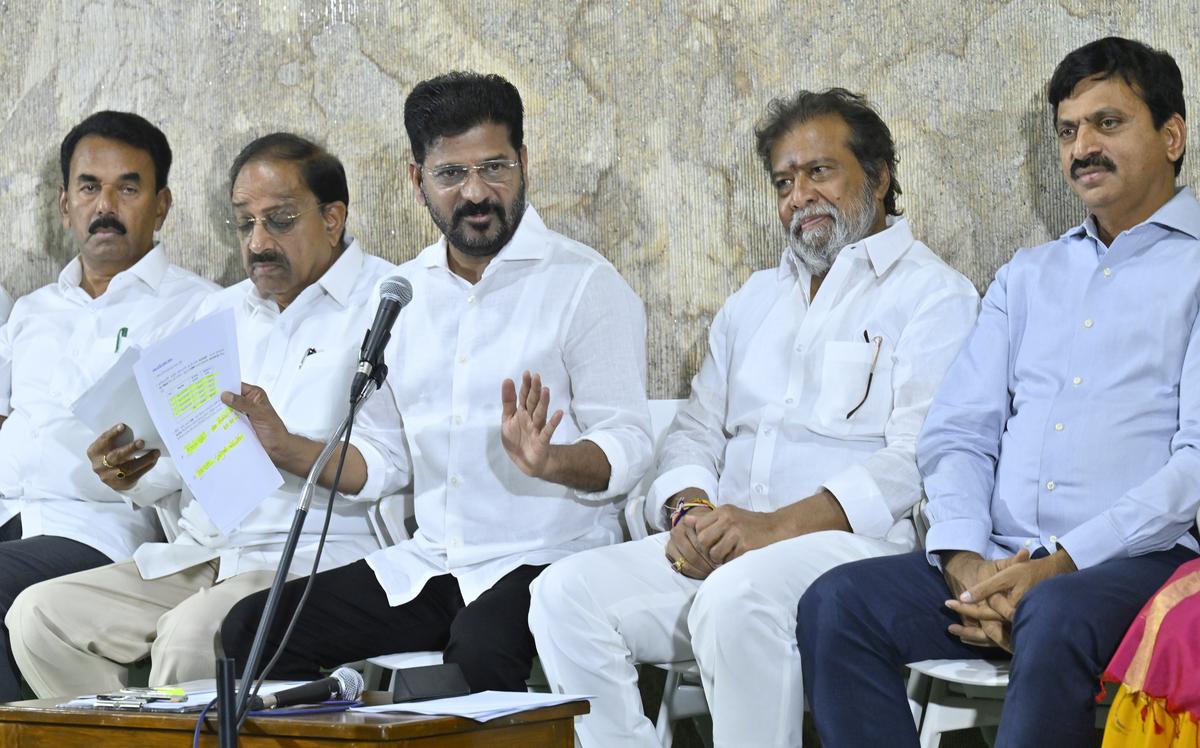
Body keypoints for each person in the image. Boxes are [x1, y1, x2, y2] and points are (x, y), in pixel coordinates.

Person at [527, 88, 980, 747]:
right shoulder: (754, 302)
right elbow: (693, 434)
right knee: (563, 595)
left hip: (855, 555)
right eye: (784, 181)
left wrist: (770, 530)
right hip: (726, 547)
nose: (799, 196)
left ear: (879, 178)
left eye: (819, 171)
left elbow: (918, 460)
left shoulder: (934, 297)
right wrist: (688, 514)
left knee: (735, 599)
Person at [798, 36, 1200, 748]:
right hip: (1000, 560)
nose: (1082, 147)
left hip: (1140, 565)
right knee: (838, 605)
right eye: (1069, 130)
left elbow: (1195, 468)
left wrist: (1059, 566)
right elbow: (958, 432)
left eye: (1109, 123)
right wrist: (966, 562)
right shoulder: (1027, 277)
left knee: (1055, 613)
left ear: (1172, 136)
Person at [220, 71, 653, 693]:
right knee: (251, 631)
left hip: (548, 559)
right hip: (432, 564)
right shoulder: (401, 294)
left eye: (495, 168)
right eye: (451, 174)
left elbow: (630, 440)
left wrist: (552, 461)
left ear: (525, 164)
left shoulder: (584, 285)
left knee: (474, 660)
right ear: (417, 180)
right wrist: (284, 446)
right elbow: (384, 460)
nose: (476, 192)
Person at [7, 132, 406, 695]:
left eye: (280, 220)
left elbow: (392, 466)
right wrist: (136, 472)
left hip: (313, 557)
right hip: (205, 551)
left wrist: (286, 446)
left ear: (333, 217)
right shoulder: (221, 313)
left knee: (192, 636)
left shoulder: (386, 305)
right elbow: (184, 457)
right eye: (244, 224)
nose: (258, 242)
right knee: (42, 617)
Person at [0, 111, 217, 701]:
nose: (106, 205)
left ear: (162, 203)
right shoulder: (33, 311)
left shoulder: (200, 312)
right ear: (65, 201)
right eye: (89, 187)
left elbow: (209, 455)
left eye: (128, 187)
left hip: (98, 529)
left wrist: (138, 471)